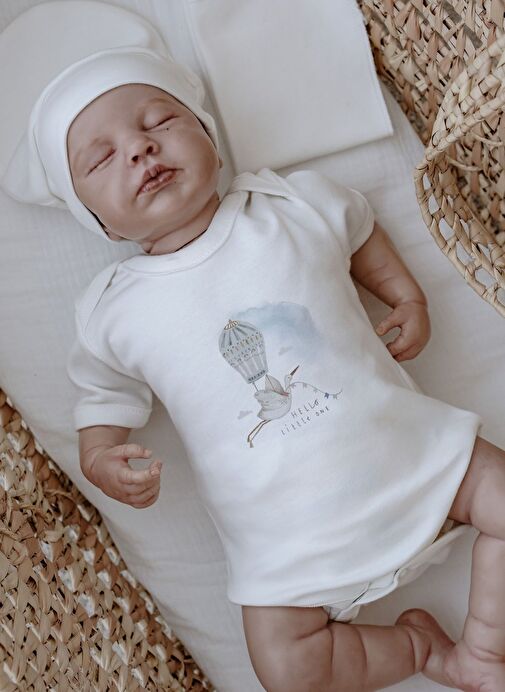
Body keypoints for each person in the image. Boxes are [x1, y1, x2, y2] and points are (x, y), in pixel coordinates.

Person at [7, 46, 505, 692]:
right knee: (287, 671)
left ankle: (484, 650)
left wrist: (406, 297)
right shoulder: (112, 313)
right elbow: (101, 403)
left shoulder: (289, 204)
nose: (139, 149)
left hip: (415, 456)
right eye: (101, 159)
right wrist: (102, 459)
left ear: (210, 138)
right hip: (287, 545)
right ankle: (419, 649)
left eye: (159, 121)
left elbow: (358, 231)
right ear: (96, 221)